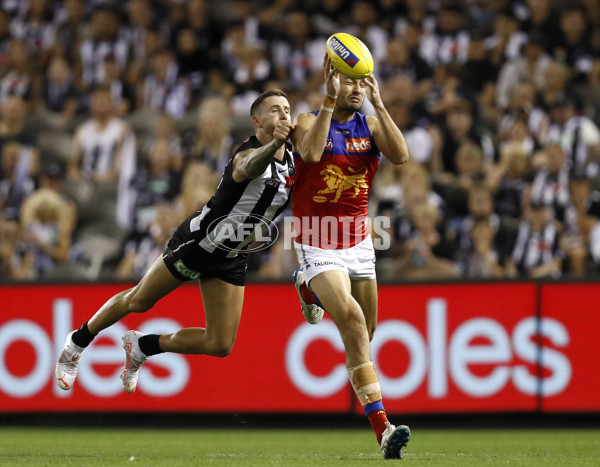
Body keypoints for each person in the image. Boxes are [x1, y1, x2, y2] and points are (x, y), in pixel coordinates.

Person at [55, 89, 295, 395]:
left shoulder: (291, 161)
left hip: (232, 254)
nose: (284, 114)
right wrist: (275, 142)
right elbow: (250, 168)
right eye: (275, 110)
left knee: (220, 344)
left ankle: (143, 346)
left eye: (287, 109)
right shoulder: (246, 153)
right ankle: (76, 343)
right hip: (199, 243)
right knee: (139, 300)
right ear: (256, 121)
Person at [290, 54, 410, 459]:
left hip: (359, 241)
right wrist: (327, 100)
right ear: (332, 80)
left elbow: (401, 155)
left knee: (365, 334)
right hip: (316, 238)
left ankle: (307, 290)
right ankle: (383, 429)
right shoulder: (307, 120)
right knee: (355, 322)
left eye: (363, 82)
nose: (358, 88)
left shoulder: (370, 123)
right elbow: (308, 155)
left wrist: (380, 104)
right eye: (351, 81)